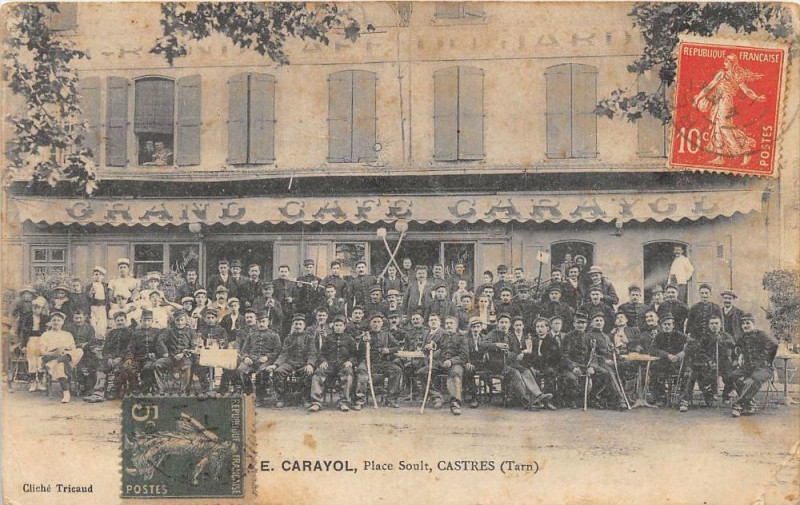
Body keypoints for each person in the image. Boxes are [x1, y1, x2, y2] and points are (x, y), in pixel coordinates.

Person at [692, 52, 766, 167]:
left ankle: (745, 151)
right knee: (718, 128)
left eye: (726, 61)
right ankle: (720, 157)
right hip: (722, 102)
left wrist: (756, 97)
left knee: (724, 129)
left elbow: (746, 90)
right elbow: (710, 86)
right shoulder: (731, 75)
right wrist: (700, 97)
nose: (724, 63)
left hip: (725, 103)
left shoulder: (727, 75)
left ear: (732, 64)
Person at [479, 313, 538, 409]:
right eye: (501, 322)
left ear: (509, 324)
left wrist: (514, 353)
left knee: (525, 370)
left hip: (509, 364)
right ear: (498, 324)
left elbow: (516, 352)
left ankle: (538, 395)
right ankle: (526, 401)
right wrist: (497, 345)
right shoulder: (494, 333)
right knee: (515, 373)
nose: (504, 325)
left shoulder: (511, 336)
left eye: (506, 322)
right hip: (496, 365)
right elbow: (483, 344)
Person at [680, 314, 735, 412]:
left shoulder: (726, 335)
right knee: (694, 375)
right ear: (709, 325)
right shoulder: (704, 337)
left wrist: (721, 340)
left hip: (722, 364)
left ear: (721, 325)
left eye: (716, 323)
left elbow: (732, 344)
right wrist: (708, 361)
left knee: (731, 376)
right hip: (707, 363)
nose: (714, 326)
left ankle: (725, 395)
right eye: (712, 323)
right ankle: (685, 400)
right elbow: (699, 350)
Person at [417, 315, 471, 416]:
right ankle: (436, 397)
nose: (449, 325)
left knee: (455, 374)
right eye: (447, 323)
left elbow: (464, 356)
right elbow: (435, 345)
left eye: (451, 323)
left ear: (456, 326)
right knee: (423, 372)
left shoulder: (462, 338)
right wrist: (430, 345)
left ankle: (455, 403)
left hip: (455, 364)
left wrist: (451, 361)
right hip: (441, 364)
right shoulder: (443, 336)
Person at [729, 313, 778, 418]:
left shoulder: (761, 334)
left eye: (748, 323)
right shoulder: (742, 337)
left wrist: (764, 359)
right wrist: (736, 357)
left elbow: (774, 343)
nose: (745, 326)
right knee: (733, 375)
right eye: (743, 324)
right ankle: (750, 404)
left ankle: (738, 405)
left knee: (753, 379)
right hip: (748, 368)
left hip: (764, 368)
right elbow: (735, 348)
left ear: (753, 324)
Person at [264, 314, 317, 409]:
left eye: (300, 324)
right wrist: (275, 365)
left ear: (304, 326)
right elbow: (284, 354)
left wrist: (310, 364)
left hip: (303, 363)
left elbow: (312, 352)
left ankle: (305, 398)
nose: (298, 326)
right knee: (278, 372)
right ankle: (281, 398)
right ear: (293, 325)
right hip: (290, 363)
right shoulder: (288, 338)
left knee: (308, 372)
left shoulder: (309, 337)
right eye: (296, 324)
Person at [309, 314, 357, 412]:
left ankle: (343, 402)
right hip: (329, 365)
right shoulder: (328, 338)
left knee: (348, 373)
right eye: (336, 325)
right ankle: (316, 402)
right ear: (333, 327)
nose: (338, 328)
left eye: (340, 325)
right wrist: (323, 361)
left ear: (344, 327)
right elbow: (321, 353)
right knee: (318, 373)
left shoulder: (349, 339)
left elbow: (355, 355)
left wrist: (350, 361)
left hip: (343, 365)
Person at [82, 310, 133, 402]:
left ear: (126, 320)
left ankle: (114, 392)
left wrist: (120, 357)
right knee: (101, 369)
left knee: (120, 369)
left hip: (124, 358)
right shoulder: (111, 333)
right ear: (115, 321)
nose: (120, 322)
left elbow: (130, 348)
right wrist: (109, 357)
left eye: (122, 320)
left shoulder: (130, 333)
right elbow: (106, 348)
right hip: (111, 358)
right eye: (118, 320)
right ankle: (98, 394)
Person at [355, 314, 402, 409]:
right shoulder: (366, 335)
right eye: (374, 322)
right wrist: (363, 342)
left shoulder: (386, 334)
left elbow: (397, 346)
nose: (376, 324)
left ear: (382, 324)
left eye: (378, 322)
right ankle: (360, 400)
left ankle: (391, 399)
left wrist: (389, 350)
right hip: (368, 362)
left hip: (383, 362)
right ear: (370, 324)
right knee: (361, 370)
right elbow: (359, 352)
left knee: (396, 370)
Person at [236, 310, 281, 405]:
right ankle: (249, 394)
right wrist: (246, 357)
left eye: (264, 321)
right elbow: (244, 350)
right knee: (242, 369)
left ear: (268, 322)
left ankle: (260, 397)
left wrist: (267, 357)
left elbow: (277, 351)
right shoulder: (251, 334)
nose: (261, 324)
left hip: (266, 361)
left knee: (261, 373)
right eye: (259, 322)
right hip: (251, 360)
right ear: (256, 322)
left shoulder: (274, 335)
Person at [585, 313, 628, 410]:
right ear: (592, 323)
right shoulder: (589, 335)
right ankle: (619, 400)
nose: (599, 323)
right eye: (596, 321)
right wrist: (604, 360)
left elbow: (609, 349)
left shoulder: (606, 336)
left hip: (608, 361)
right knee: (609, 373)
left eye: (601, 321)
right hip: (597, 362)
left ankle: (615, 397)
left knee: (623, 369)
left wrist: (615, 351)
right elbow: (591, 353)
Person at [39, 311, 84, 403]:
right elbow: (42, 352)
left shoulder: (67, 334)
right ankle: (66, 393)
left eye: (58, 320)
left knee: (80, 351)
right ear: (51, 322)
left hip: (68, 356)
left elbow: (73, 348)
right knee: (60, 366)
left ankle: (60, 360)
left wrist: (65, 350)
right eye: (54, 320)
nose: (56, 322)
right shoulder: (45, 335)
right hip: (52, 357)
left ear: (62, 322)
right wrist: (55, 353)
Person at [123, 308, 168, 394]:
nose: (146, 323)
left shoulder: (157, 332)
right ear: (140, 320)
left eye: (149, 320)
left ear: (152, 321)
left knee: (147, 368)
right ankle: (135, 387)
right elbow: (131, 347)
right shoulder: (135, 333)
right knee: (128, 368)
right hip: (137, 358)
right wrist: (129, 358)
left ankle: (147, 387)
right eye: (144, 320)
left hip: (150, 359)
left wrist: (156, 354)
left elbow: (159, 345)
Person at [649, 313, 688, 407]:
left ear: (673, 325)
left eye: (669, 324)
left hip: (677, 363)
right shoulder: (658, 336)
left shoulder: (680, 335)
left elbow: (694, 344)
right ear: (661, 326)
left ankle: (683, 399)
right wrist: (666, 355)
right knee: (654, 370)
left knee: (687, 373)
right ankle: (661, 397)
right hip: (663, 363)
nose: (667, 326)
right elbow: (653, 350)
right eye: (665, 324)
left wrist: (682, 353)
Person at [155, 309, 195, 394]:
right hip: (171, 357)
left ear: (185, 321)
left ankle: (183, 390)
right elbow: (159, 340)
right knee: (157, 364)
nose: (180, 323)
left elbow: (193, 347)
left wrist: (183, 354)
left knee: (187, 365)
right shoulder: (169, 331)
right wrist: (165, 352)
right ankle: (162, 388)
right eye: (177, 320)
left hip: (185, 357)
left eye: (182, 320)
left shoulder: (191, 332)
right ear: (174, 320)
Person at [521, 317, 557, 409]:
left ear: (547, 328)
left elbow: (554, 357)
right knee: (531, 371)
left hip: (548, 365)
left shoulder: (552, 340)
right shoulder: (533, 341)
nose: (539, 329)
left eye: (542, 326)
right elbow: (529, 356)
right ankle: (536, 400)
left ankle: (549, 401)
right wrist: (531, 365)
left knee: (550, 372)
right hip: (536, 365)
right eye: (537, 327)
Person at [194, 308, 230, 394]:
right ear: (205, 319)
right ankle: (205, 387)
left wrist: (218, 343)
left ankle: (222, 388)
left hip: (219, 353)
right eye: (208, 318)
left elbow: (225, 343)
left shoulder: (221, 330)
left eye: (212, 318)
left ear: (216, 319)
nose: (210, 320)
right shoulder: (201, 330)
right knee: (197, 363)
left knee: (228, 364)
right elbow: (198, 342)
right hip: (205, 354)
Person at [20, 297, 50, 392]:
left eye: (39, 307)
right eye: (35, 307)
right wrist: (24, 345)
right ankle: (33, 383)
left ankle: (40, 382)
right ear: (32, 308)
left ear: (42, 308)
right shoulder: (28, 318)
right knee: (32, 361)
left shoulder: (45, 318)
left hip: (41, 339)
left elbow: (48, 331)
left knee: (40, 361)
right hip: (31, 339)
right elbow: (24, 332)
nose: (36, 309)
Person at [464, 316, 487, 408]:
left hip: (482, 362)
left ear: (481, 328)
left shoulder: (484, 338)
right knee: (470, 371)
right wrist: (467, 362)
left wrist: (486, 353)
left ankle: (488, 393)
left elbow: (488, 347)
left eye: (478, 327)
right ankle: (474, 397)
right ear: (470, 328)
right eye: (473, 327)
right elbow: (464, 352)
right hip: (470, 361)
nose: (476, 329)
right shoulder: (466, 338)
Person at [87, 267, 110, 338]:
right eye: (96, 274)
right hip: (93, 307)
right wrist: (90, 294)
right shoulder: (89, 286)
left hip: (102, 307)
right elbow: (87, 298)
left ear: (103, 277)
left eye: (100, 275)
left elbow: (108, 297)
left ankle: (101, 339)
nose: (98, 276)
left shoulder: (106, 286)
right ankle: (93, 339)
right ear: (93, 276)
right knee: (93, 324)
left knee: (102, 325)